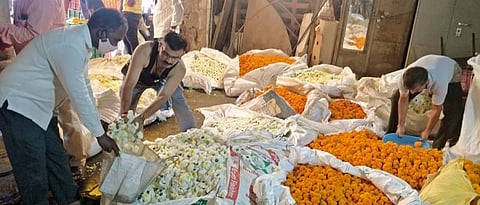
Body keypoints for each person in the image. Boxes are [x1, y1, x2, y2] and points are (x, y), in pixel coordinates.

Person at [0, 8, 124, 204]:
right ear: (102, 33)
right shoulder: (70, 45)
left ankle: (70, 200)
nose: (115, 46)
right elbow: (78, 95)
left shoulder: (80, 45)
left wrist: (99, 124)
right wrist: (99, 135)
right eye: (116, 40)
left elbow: (86, 87)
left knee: (56, 158)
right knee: (33, 169)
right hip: (18, 105)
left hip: (40, 107)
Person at [120, 31, 195, 132]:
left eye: (175, 58)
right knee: (128, 111)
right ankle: (126, 135)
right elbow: (129, 85)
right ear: (160, 45)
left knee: (178, 99)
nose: (169, 60)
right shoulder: (144, 51)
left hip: (161, 79)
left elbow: (163, 96)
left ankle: (192, 133)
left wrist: (142, 117)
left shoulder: (179, 69)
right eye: (165, 54)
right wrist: (124, 113)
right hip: (138, 79)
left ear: (182, 55)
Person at [387, 54, 464, 149]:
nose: (412, 92)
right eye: (410, 89)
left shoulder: (439, 83)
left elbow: (436, 109)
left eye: (415, 90)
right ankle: (392, 135)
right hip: (429, 62)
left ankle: (437, 146)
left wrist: (427, 131)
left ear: (425, 83)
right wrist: (401, 125)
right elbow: (403, 99)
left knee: (453, 113)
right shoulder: (404, 78)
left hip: (451, 70)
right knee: (396, 97)